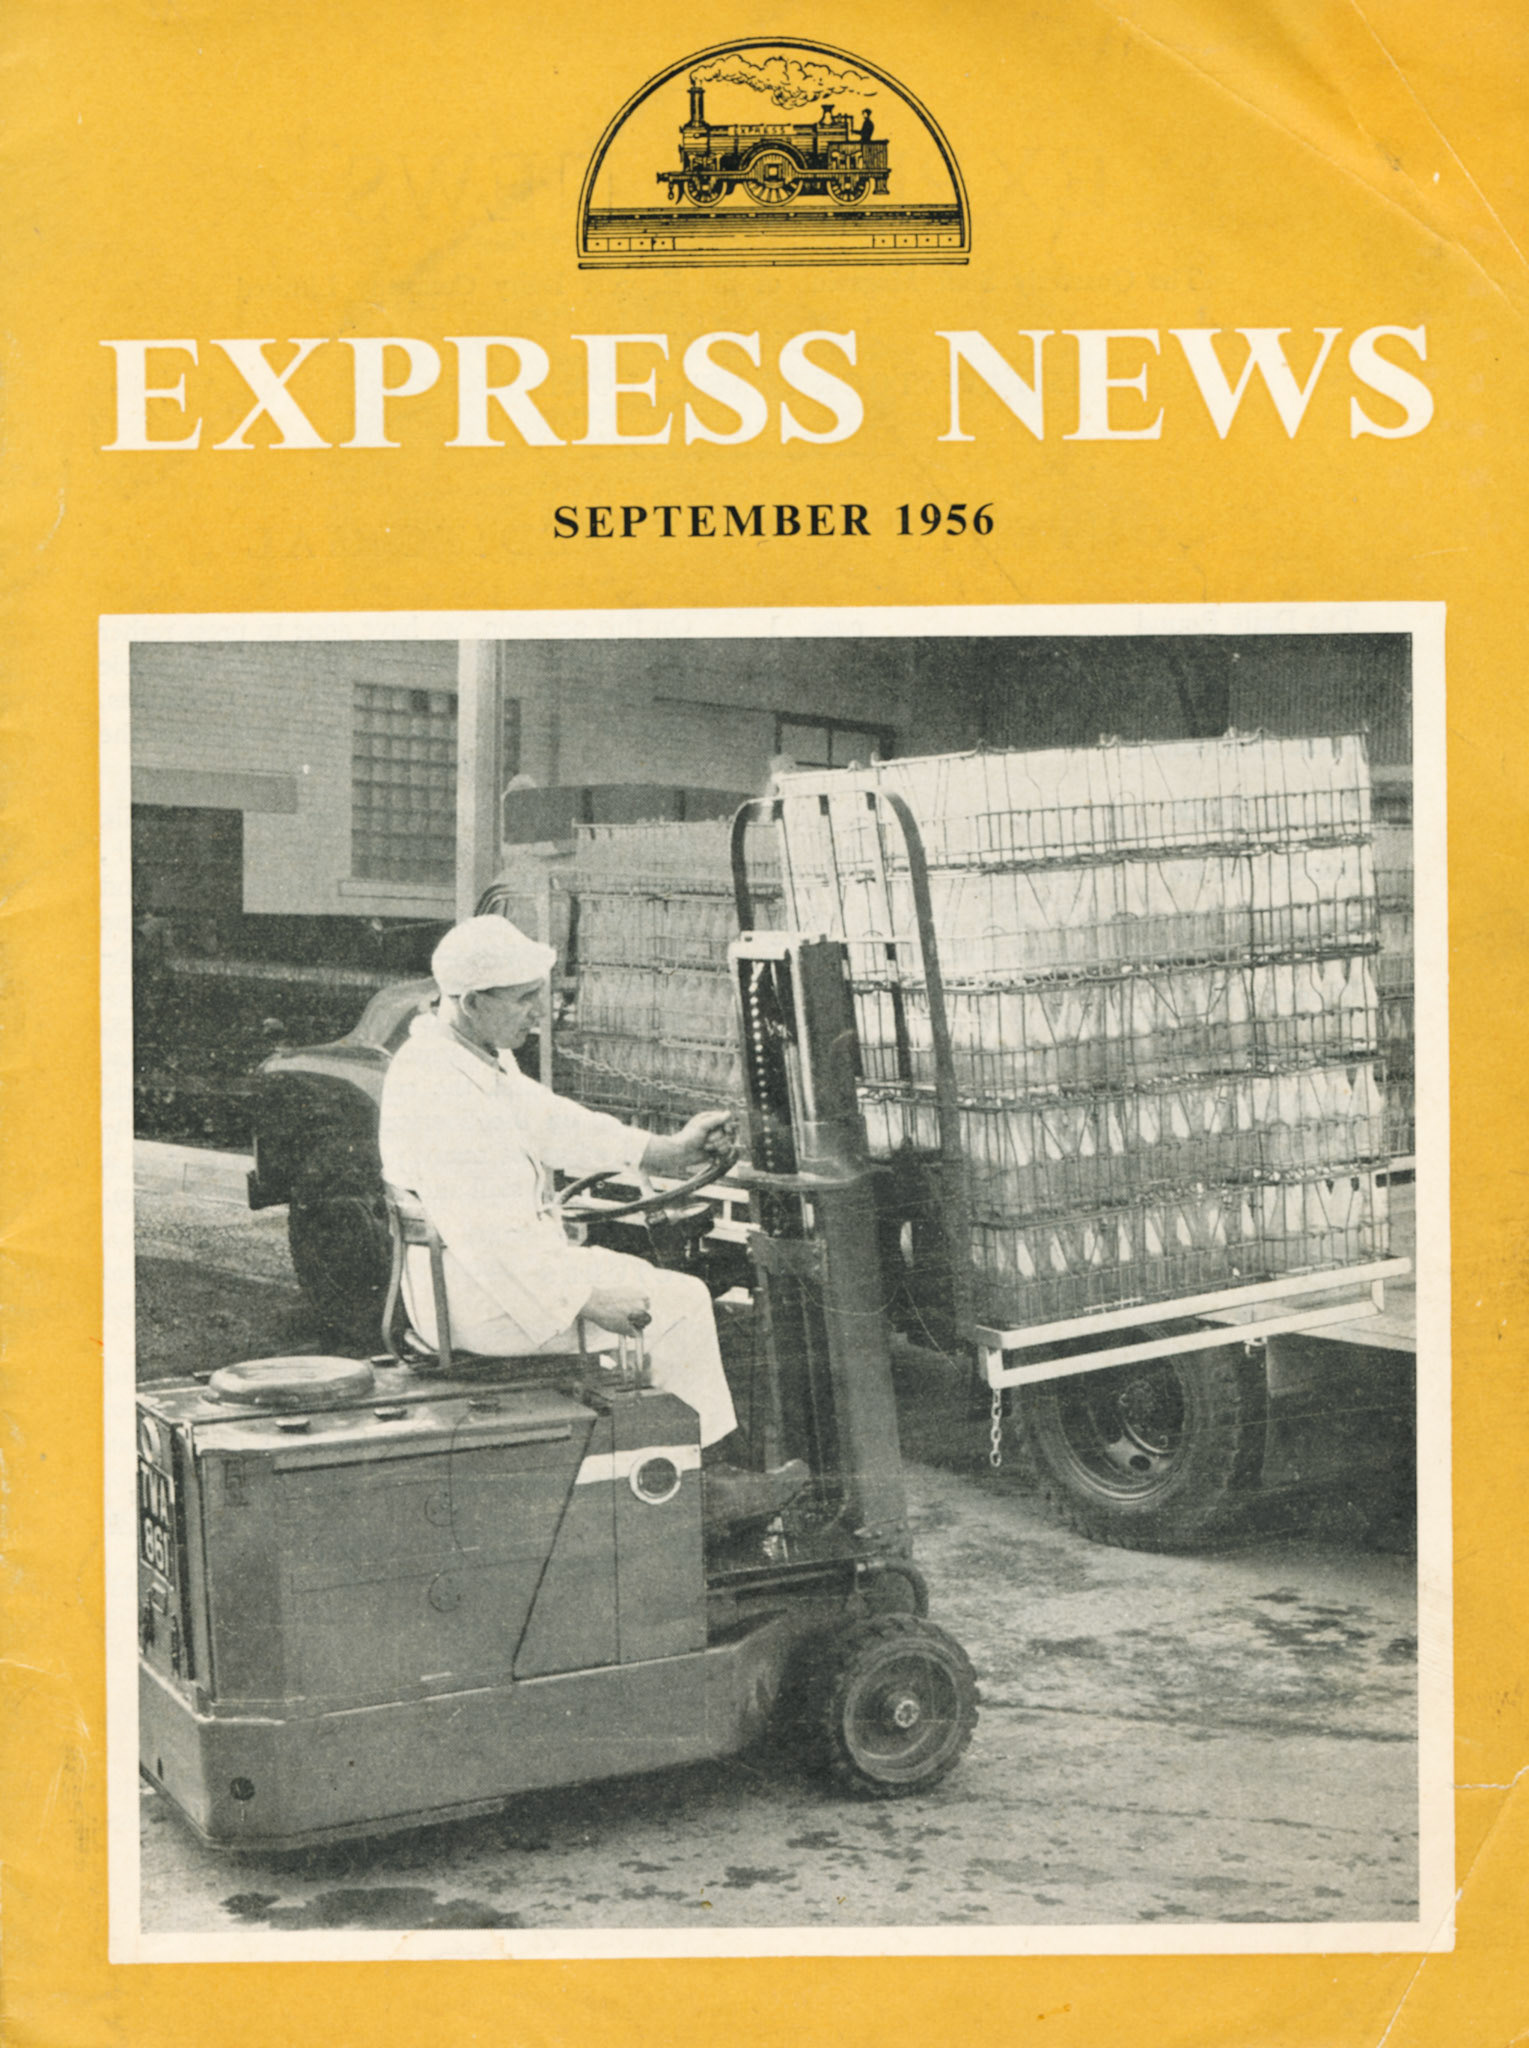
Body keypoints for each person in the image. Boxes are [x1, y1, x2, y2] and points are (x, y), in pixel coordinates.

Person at [378, 914, 807, 1535]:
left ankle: (682, 1471)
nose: (539, 1014)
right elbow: (486, 1233)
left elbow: (555, 1124)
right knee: (683, 1302)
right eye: (524, 1000)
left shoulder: (464, 1059)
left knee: (655, 1285)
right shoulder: (443, 1090)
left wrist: (662, 1151)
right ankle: (706, 1492)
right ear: (472, 1002)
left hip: (480, 1283)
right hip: (488, 1300)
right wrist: (583, 1298)